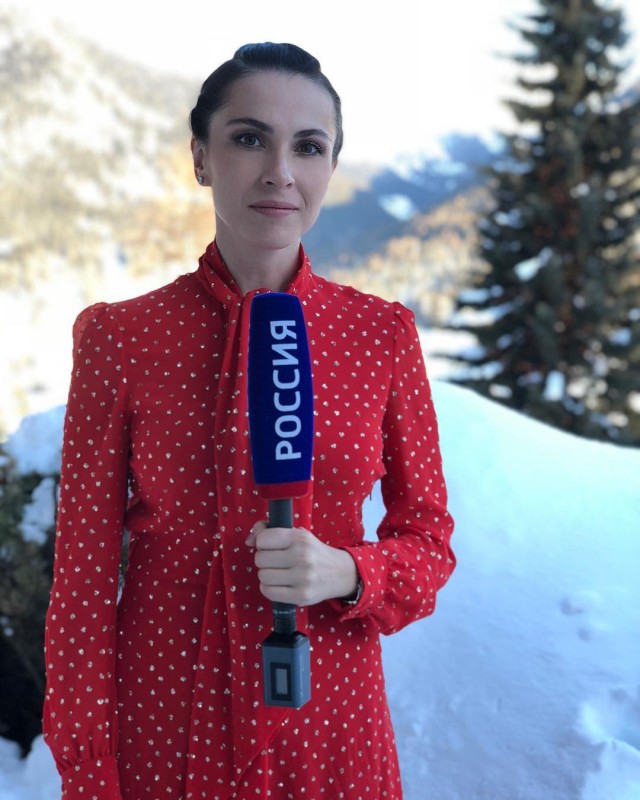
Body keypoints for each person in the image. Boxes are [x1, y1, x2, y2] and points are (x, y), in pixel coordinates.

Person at [43, 42, 455, 800]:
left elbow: (429, 541)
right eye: (248, 138)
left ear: (333, 166)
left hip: (330, 724)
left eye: (309, 146)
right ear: (201, 157)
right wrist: (88, 765)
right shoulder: (121, 338)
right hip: (164, 719)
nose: (280, 171)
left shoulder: (381, 336)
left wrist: (349, 571)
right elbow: (82, 580)